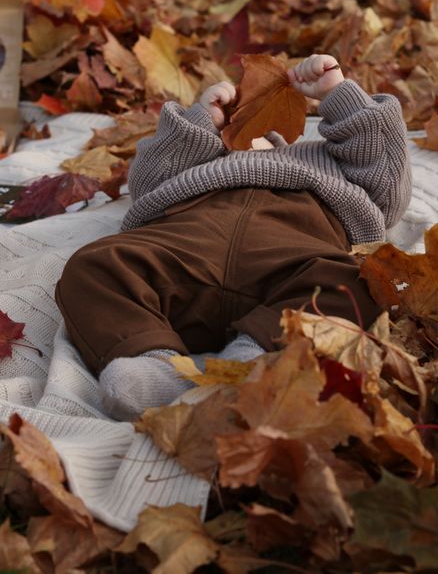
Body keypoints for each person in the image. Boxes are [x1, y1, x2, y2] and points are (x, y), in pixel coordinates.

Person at [55, 54, 412, 420]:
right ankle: (154, 365)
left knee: (360, 283)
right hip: (189, 242)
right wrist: (200, 123)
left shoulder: (324, 160)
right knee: (94, 267)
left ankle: (251, 359)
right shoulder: (208, 153)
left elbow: (388, 183)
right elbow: (147, 181)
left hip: (296, 249)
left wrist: (337, 93)